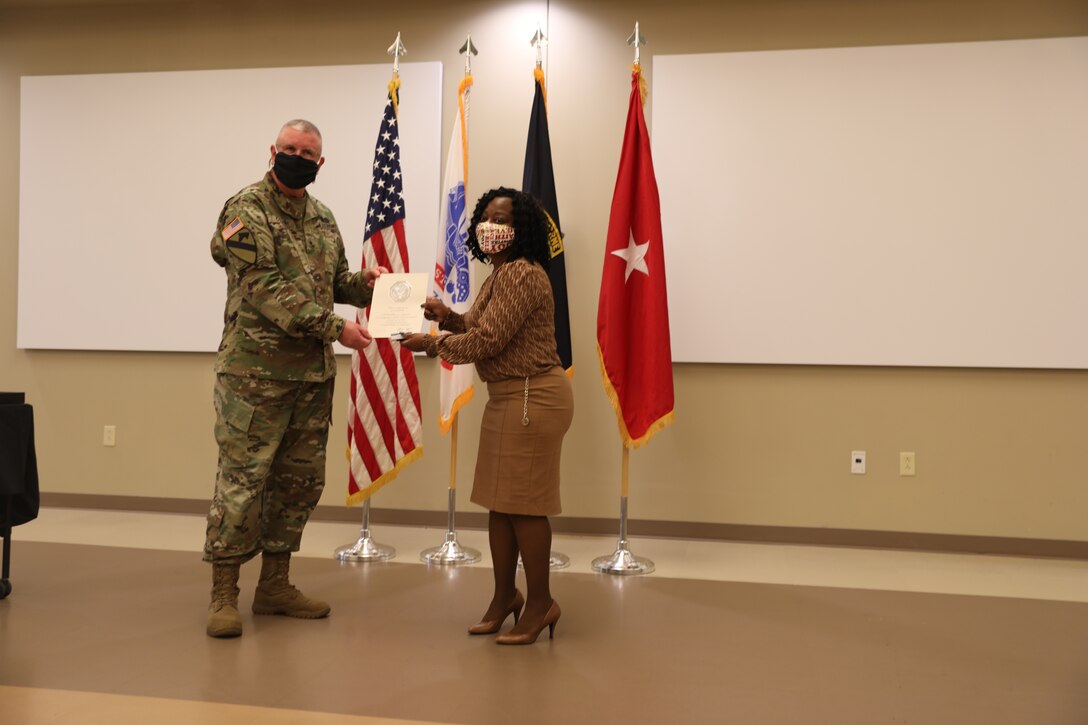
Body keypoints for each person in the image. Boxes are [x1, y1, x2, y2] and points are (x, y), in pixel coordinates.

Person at [204, 119, 384, 639]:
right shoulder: (244, 210)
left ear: (320, 163)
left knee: (297, 484)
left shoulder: (323, 218)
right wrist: (334, 327)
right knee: (242, 484)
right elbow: (262, 285)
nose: (298, 157)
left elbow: (333, 282)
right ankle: (223, 593)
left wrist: (364, 286)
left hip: (310, 377)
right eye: (290, 149)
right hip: (253, 379)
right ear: (273, 150)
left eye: (308, 152)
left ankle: (275, 586)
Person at [401, 187, 574, 645]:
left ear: (522, 231)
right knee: (500, 506)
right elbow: (481, 330)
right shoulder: (499, 274)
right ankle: (505, 599)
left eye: (504, 221)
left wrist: (433, 343)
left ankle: (541, 604)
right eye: (487, 219)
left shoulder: (521, 273)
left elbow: (487, 343)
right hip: (508, 398)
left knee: (526, 508)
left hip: (532, 399)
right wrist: (449, 317)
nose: (492, 229)